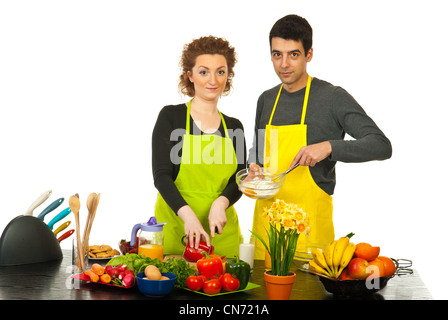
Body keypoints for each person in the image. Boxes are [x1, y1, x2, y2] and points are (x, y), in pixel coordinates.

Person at [248, 15, 392, 261]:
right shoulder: (266, 99)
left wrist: (329, 147)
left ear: (309, 54)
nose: (284, 64)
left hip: (309, 233)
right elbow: (258, 150)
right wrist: (253, 167)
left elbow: (381, 145)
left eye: (293, 54)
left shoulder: (332, 97)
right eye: (276, 54)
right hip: (267, 231)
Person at [152, 36, 247, 258]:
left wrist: (221, 203)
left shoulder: (235, 127)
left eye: (220, 71)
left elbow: (239, 178)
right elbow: (161, 176)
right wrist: (188, 217)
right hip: (178, 231)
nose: (213, 80)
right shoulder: (171, 117)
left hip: (222, 237)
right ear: (190, 75)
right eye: (204, 72)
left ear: (228, 76)